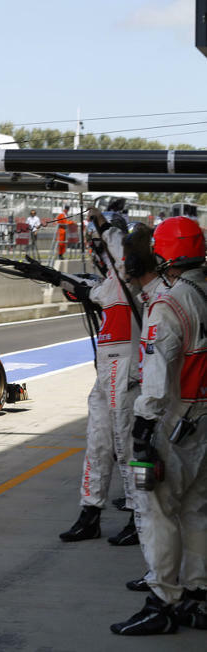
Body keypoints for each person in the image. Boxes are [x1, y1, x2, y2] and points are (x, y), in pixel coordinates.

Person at [111, 216, 207, 635]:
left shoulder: (169, 303)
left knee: (156, 511)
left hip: (174, 419)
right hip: (204, 420)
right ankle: (197, 594)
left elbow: (157, 370)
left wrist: (143, 426)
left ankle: (163, 600)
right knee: (198, 511)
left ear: (163, 254)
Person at [58, 203, 143, 547]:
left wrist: (103, 225)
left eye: (99, 243)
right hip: (105, 375)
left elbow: (120, 260)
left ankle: (141, 514)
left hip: (126, 375)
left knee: (128, 448)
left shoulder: (132, 281)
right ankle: (90, 513)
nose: (95, 249)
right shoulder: (110, 283)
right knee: (97, 444)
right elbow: (90, 289)